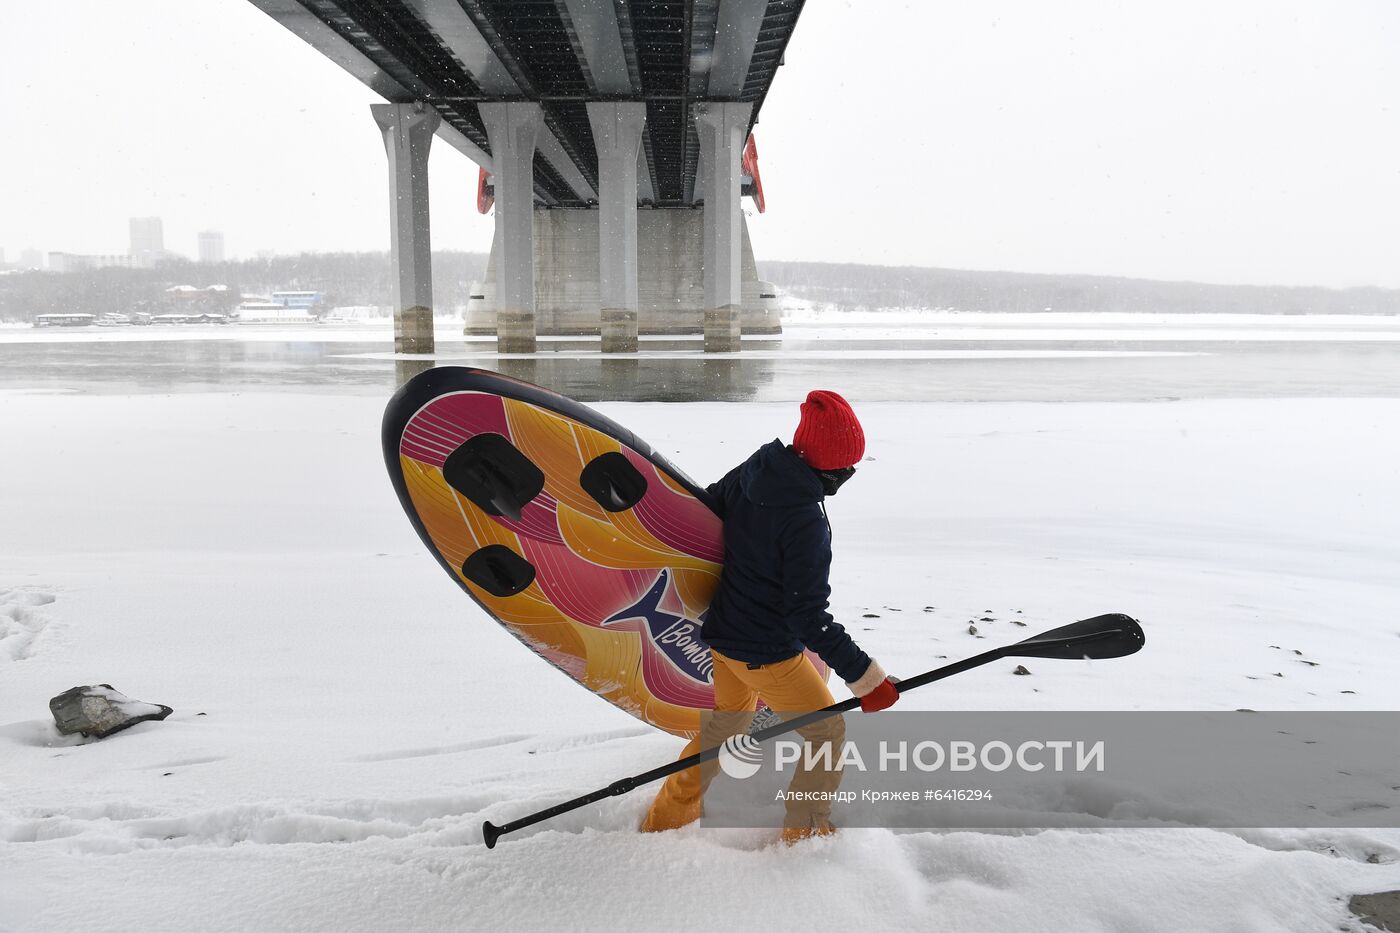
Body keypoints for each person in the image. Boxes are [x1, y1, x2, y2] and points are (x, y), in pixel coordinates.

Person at [640, 389, 899, 843]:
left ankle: (666, 817)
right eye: (846, 468)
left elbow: (709, 510)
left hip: (725, 635)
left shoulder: (757, 470)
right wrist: (865, 676)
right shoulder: (804, 521)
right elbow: (807, 615)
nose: (848, 475)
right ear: (827, 465)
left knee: (726, 727)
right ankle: (806, 834)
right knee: (826, 734)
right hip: (768, 652)